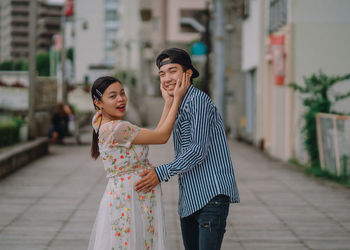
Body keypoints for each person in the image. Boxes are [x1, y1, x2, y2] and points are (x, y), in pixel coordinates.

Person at [135, 48, 240, 250]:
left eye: (172, 71)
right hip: (190, 199)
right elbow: (159, 136)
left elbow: (196, 150)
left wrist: (160, 173)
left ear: (188, 73)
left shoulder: (198, 101)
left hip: (211, 196)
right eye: (162, 74)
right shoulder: (179, 103)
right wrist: (168, 102)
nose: (166, 79)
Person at [88, 75, 190, 250]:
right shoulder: (117, 128)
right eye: (112, 96)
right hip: (129, 199)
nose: (121, 99)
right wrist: (177, 99)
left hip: (131, 195)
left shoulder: (102, 123)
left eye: (122, 93)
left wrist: (168, 101)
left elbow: (157, 132)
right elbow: (162, 137)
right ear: (98, 103)